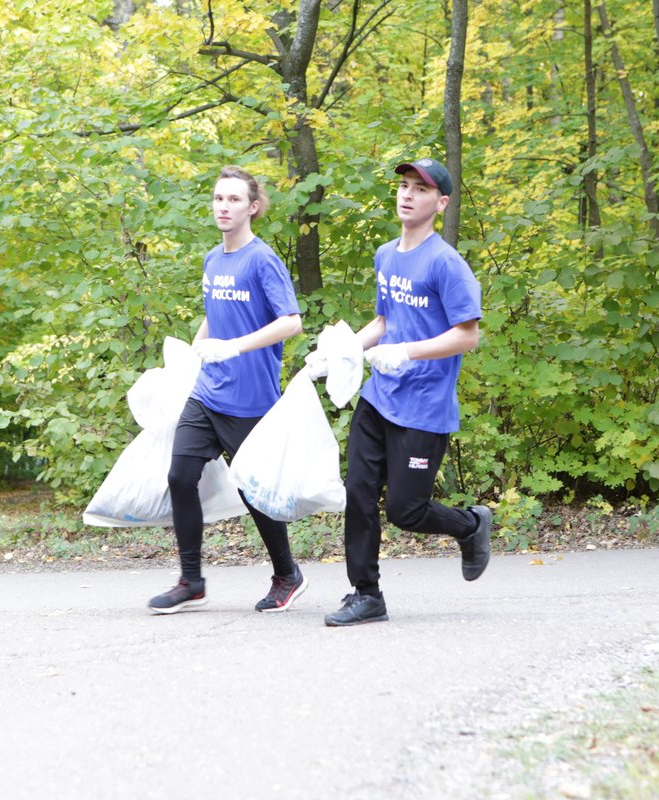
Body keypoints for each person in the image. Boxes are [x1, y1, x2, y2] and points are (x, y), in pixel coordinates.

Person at [309, 157, 492, 627]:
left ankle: (470, 525)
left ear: (441, 202)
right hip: (378, 396)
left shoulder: (447, 263)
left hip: (424, 407)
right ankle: (366, 594)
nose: (407, 194)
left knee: (407, 512)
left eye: (420, 189)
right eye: (404, 186)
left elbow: (467, 335)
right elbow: (385, 321)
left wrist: (408, 353)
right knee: (359, 492)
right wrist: (343, 350)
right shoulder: (386, 255)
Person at [148, 166, 309, 615]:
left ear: (253, 207)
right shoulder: (212, 260)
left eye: (234, 199)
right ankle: (191, 580)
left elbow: (291, 322)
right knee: (180, 476)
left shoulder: (262, 259)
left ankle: (287, 574)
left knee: (255, 493)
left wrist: (234, 346)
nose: (224, 206)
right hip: (207, 393)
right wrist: (199, 346)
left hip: (250, 399)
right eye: (219, 198)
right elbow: (215, 314)